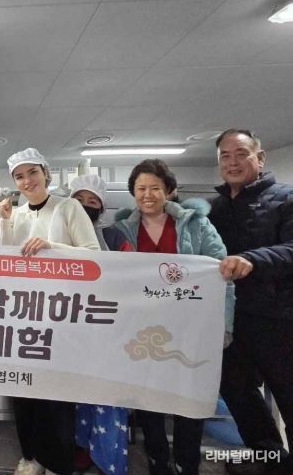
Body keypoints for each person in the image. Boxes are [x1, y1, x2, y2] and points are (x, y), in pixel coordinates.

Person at [114, 159, 235, 475]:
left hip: (190, 328)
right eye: (141, 188)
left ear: (169, 190)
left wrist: (224, 326)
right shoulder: (122, 230)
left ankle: (187, 462)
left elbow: (222, 275)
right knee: (148, 397)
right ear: (133, 192)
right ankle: (157, 459)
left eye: (155, 188)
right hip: (142, 330)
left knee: (188, 397)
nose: (147, 194)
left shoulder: (196, 224)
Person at [0, 148, 99, 475]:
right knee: (23, 392)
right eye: (19, 176)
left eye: (32, 172)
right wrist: (5, 222)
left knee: (56, 397)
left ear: (45, 173)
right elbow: (3, 262)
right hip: (23, 317)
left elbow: (93, 255)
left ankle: (56, 463)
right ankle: (30, 457)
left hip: (60, 318)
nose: (27, 181)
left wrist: (52, 247)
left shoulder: (69, 208)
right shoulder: (17, 215)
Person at [209, 129, 293, 475]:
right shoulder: (213, 209)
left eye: (241, 153)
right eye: (225, 156)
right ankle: (270, 458)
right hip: (230, 321)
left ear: (260, 158)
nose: (233, 162)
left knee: (287, 394)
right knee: (237, 391)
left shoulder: (286, 198)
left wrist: (253, 259)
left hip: (278, 319)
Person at [69, 174, 129, 475]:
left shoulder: (115, 237)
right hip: (71, 328)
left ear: (101, 207)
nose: (85, 206)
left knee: (109, 395)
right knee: (77, 393)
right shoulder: (60, 232)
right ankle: (82, 447)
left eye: (92, 201)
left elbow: (134, 273)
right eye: (78, 200)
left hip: (109, 326)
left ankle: (108, 459)